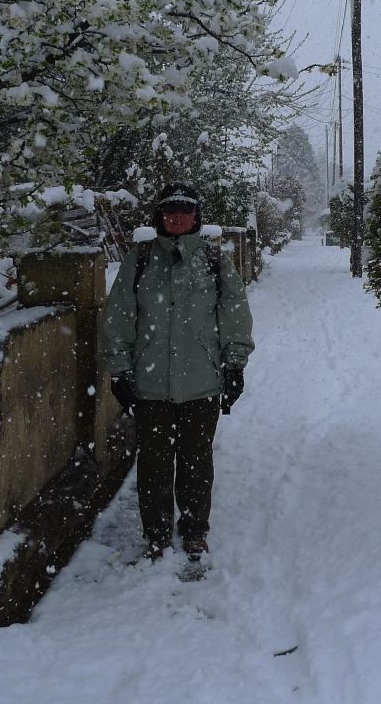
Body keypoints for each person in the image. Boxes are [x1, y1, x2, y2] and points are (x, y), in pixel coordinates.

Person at [102, 182, 255, 562]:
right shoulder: (140, 259)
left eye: (186, 210)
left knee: (196, 461)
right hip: (150, 384)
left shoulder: (213, 259)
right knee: (153, 464)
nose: (178, 217)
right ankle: (156, 533)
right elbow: (119, 316)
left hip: (202, 381)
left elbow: (234, 313)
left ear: (196, 216)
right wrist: (120, 370)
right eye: (170, 210)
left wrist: (234, 365)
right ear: (160, 215)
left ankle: (194, 530)